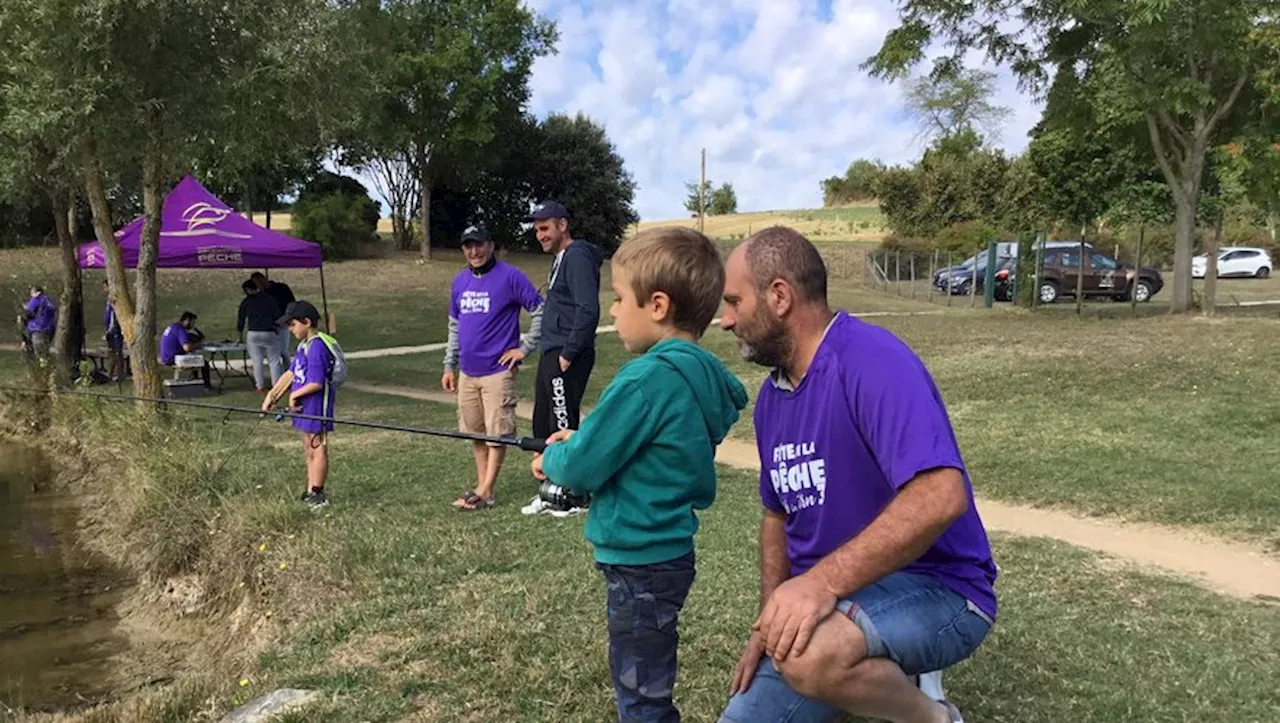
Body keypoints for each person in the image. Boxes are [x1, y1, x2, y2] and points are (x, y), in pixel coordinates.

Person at [716, 227, 997, 723]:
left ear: (779, 297)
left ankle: (935, 717)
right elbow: (775, 518)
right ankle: (863, 665)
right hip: (837, 602)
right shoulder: (771, 400)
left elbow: (941, 495)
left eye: (735, 302)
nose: (726, 320)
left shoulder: (871, 360)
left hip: (941, 588)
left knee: (810, 655)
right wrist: (766, 625)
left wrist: (818, 585)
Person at [531, 226, 748, 722]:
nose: (611, 310)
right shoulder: (700, 378)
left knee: (640, 693)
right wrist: (578, 441)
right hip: (670, 554)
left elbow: (585, 465)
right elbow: (641, 448)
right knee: (648, 671)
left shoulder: (646, 379)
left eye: (618, 298)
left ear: (657, 305)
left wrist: (554, 459)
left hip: (639, 562)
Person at [442, 224, 544, 511]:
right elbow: (454, 326)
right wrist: (449, 364)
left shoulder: (510, 277)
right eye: (468, 246)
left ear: (490, 245)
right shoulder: (459, 282)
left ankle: (485, 490)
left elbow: (540, 310)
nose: (474, 251)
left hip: (498, 371)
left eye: (479, 244)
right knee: (475, 432)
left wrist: (523, 348)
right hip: (467, 371)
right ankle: (483, 486)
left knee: (496, 432)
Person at [526, 200, 602, 512]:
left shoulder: (577, 255)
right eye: (536, 230)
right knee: (542, 421)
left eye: (544, 228)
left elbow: (588, 307)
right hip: (551, 349)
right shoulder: (560, 259)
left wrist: (569, 353)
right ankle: (551, 490)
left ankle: (574, 494)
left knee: (562, 420)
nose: (539, 235)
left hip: (566, 352)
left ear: (562, 225)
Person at [263, 300, 336, 509]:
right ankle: (310, 487)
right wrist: (273, 395)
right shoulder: (304, 346)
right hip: (304, 404)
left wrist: (295, 395)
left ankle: (318, 492)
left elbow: (316, 382)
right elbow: (291, 373)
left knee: (317, 445)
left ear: (307, 322)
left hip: (316, 404)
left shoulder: (318, 346)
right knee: (307, 445)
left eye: (293, 324)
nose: (290, 329)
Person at [237, 279, 285, 393]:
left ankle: (260, 386)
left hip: (253, 333)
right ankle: (276, 386)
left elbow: (241, 320)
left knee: (257, 361)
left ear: (247, 290)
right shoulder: (269, 299)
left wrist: (239, 336)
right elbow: (277, 316)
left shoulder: (246, 301)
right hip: (269, 331)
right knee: (274, 361)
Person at [251, 271, 296, 364]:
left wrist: (287, 318)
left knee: (283, 349)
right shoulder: (261, 295)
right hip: (269, 325)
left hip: (283, 321)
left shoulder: (281, 288)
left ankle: (289, 369)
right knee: (273, 352)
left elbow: (292, 303)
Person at [160, 311, 208, 385]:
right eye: (192, 322)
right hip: (172, 358)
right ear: (186, 321)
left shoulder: (174, 326)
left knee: (195, 358)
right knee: (204, 363)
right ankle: (206, 386)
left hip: (166, 356)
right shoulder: (181, 330)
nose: (193, 325)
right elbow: (187, 348)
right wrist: (198, 346)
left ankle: (195, 381)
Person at [19, 285, 57, 361]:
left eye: (32, 293)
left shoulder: (36, 300)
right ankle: (45, 370)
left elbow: (27, 314)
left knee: (40, 356)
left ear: (37, 292)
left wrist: (23, 314)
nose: (31, 295)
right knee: (45, 354)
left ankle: (40, 371)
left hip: (37, 330)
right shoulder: (49, 301)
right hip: (49, 331)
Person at [103, 280, 124, 381]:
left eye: (105, 287)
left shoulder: (114, 300)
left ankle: (119, 374)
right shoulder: (108, 301)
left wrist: (111, 329)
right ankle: (110, 373)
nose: (104, 290)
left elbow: (114, 317)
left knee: (117, 352)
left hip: (115, 331)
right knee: (111, 352)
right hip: (109, 330)